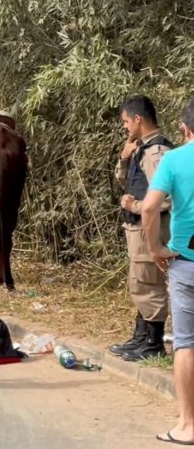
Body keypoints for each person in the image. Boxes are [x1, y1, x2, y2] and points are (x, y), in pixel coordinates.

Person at [143, 99, 194, 445]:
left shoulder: (174, 160)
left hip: (185, 264)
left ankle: (188, 426)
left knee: (186, 344)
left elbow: (148, 207)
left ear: (185, 128)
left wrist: (155, 249)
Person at [110, 96, 172, 362]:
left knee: (149, 281)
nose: (125, 127)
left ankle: (153, 342)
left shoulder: (157, 153)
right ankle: (140, 337)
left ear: (138, 119)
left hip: (151, 228)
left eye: (126, 121)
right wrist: (124, 158)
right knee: (140, 281)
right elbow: (126, 178)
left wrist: (135, 206)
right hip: (138, 228)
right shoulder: (141, 149)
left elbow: (166, 199)